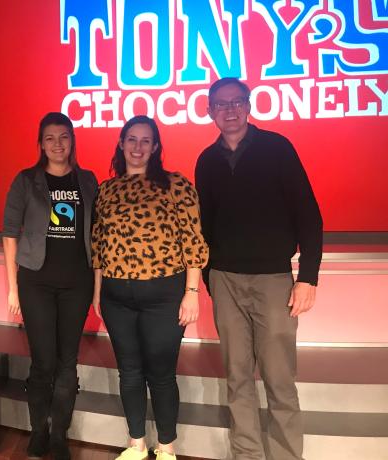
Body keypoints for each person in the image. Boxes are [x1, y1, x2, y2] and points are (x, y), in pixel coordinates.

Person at [194, 78, 322, 460]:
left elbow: (308, 214)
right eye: (220, 104)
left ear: (249, 105)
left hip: (274, 281)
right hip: (225, 281)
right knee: (237, 378)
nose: (229, 110)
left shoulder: (277, 147)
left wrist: (308, 277)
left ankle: (285, 455)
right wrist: (210, 277)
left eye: (237, 102)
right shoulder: (206, 160)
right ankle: (246, 454)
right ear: (208, 110)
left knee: (280, 379)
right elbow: (205, 224)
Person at [92, 115, 208, 460]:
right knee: (128, 371)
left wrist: (192, 292)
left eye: (145, 141)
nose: (138, 147)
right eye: (131, 139)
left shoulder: (177, 185)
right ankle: (137, 444)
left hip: (165, 295)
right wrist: (98, 292)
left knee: (160, 374)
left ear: (155, 147)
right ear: (121, 143)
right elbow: (99, 244)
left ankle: (167, 447)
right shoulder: (106, 189)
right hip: (116, 296)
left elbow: (194, 242)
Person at [2, 112, 98, 459]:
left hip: (77, 283)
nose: (58, 144)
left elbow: (96, 235)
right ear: (40, 144)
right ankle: (38, 430)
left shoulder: (87, 180)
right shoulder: (26, 180)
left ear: (72, 140)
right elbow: (10, 234)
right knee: (43, 361)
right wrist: (12, 288)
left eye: (64, 137)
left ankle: (60, 433)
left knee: (67, 362)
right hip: (36, 283)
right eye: (50, 138)